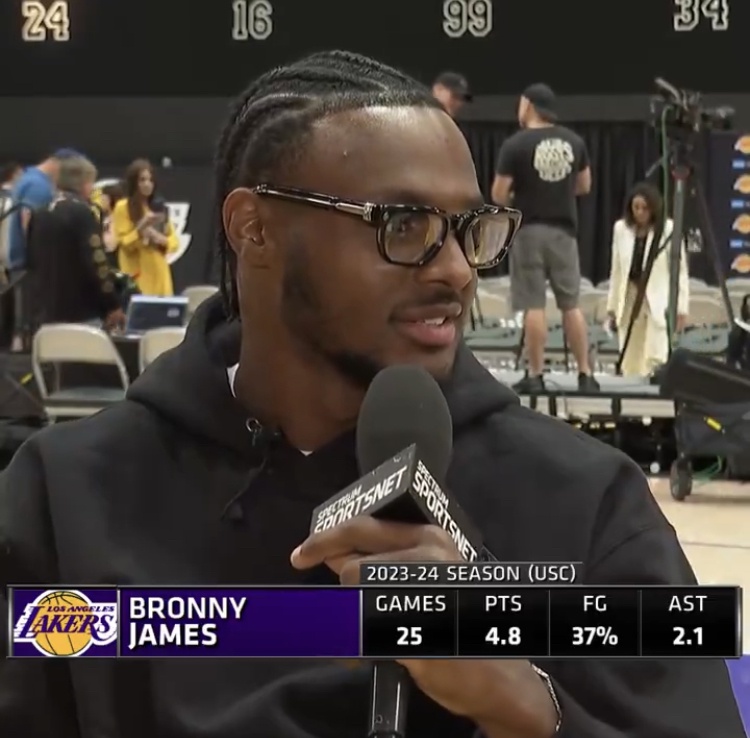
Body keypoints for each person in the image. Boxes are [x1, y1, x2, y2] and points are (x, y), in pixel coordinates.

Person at [0, 51, 743, 738]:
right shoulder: (67, 496)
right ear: (253, 228)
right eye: (404, 224)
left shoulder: (590, 502)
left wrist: (526, 704)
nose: (456, 269)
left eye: (469, 229)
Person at [491, 84, 597, 394]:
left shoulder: (515, 145)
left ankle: (536, 375)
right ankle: (585, 374)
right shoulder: (574, 141)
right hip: (564, 233)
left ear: (529, 105)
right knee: (571, 305)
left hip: (529, 231)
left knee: (533, 305)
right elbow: (584, 185)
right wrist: (557, 193)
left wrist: (524, 197)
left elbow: (498, 194)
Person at [25, 156, 125, 328]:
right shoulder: (82, 213)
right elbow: (96, 264)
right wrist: (112, 303)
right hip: (81, 313)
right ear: (83, 183)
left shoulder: (39, 214)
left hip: (46, 314)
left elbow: (32, 261)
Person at [606, 182, 688, 376]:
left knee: (655, 349)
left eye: (645, 208)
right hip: (630, 293)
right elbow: (616, 270)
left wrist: (681, 307)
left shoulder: (668, 229)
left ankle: (655, 381)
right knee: (630, 353)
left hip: (656, 296)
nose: (640, 212)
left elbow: (680, 272)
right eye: (636, 207)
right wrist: (611, 308)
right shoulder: (621, 229)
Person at [6, 150, 78, 350]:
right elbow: (28, 219)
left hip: (21, 262)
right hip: (31, 264)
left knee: (24, 321)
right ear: (58, 165)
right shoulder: (39, 186)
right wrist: (41, 256)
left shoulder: (28, 177)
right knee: (31, 323)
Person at [113, 158, 178, 295]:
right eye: (142, 180)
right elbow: (124, 244)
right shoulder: (123, 207)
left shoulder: (158, 207)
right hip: (137, 275)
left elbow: (174, 241)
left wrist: (162, 239)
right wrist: (141, 228)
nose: (147, 184)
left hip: (160, 273)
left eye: (150, 180)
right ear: (134, 182)